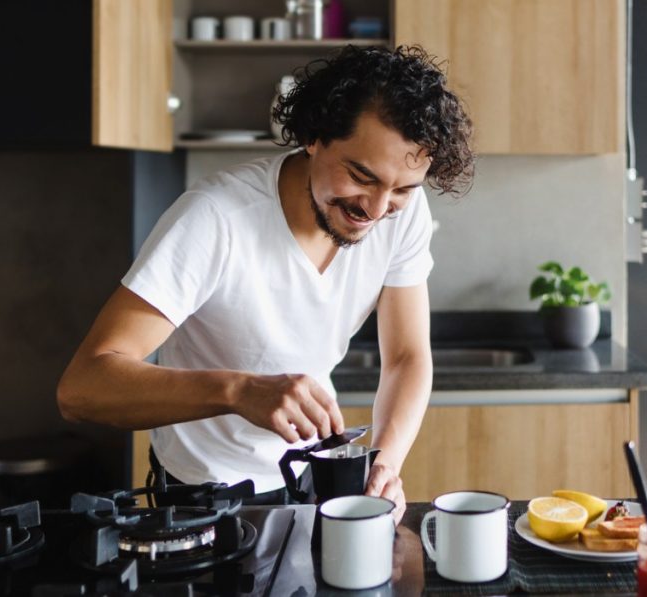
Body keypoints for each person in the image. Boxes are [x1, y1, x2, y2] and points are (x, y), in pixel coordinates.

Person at [56, 45, 474, 522]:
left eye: (401, 189)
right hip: (204, 494)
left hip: (312, 477)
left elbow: (406, 356)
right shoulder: (216, 218)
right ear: (314, 136)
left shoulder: (403, 214)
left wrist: (386, 461)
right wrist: (239, 391)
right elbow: (83, 388)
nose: (377, 211)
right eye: (361, 176)